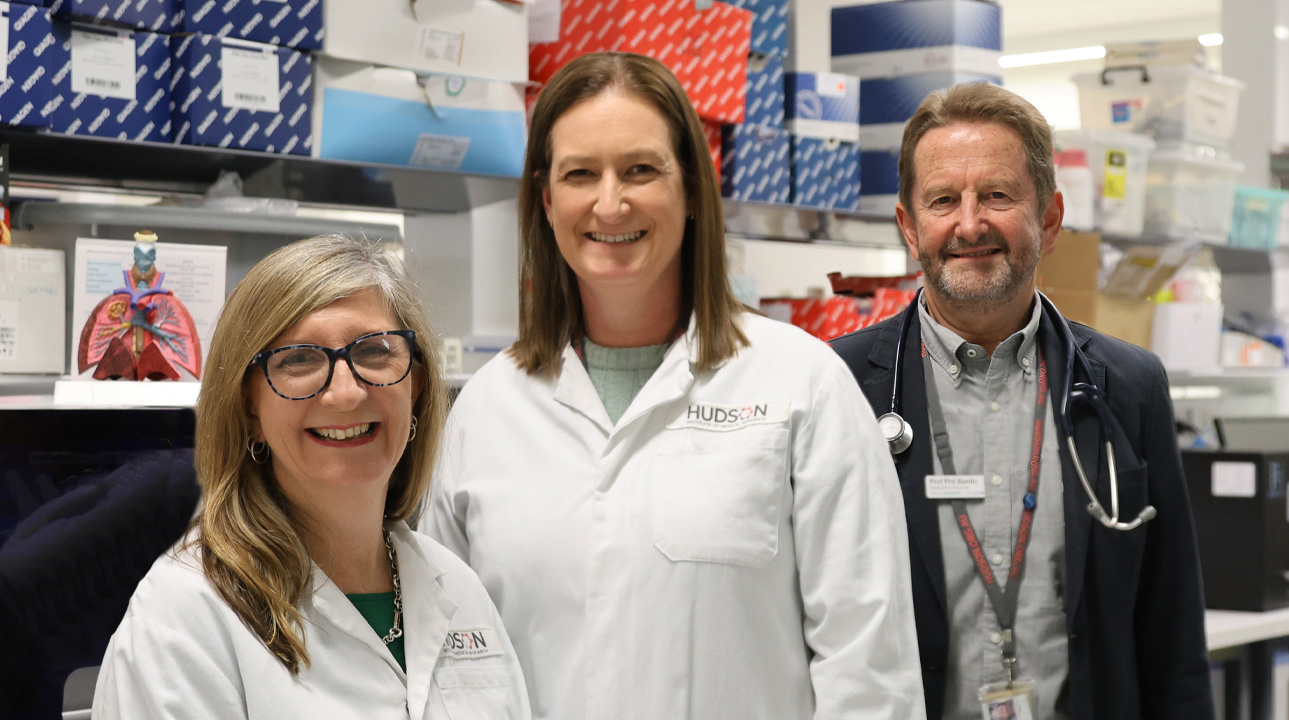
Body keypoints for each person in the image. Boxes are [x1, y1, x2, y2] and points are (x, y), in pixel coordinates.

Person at [422, 51, 925, 720]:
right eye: (580, 174)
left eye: (639, 170)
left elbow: (870, 670)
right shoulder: (487, 410)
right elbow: (451, 666)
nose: (609, 202)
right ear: (546, 201)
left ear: (690, 188)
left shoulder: (802, 385)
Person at [831, 83, 1214, 720]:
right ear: (909, 225)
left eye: (999, 196)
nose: (970, 223)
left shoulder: (1128, 387)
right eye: (943, 200)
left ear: (1050, 218)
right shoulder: (838, 384)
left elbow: (1172, 637)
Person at [92, 235, 532, 719]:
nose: (345, 393)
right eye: (298, 359)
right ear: (249, 409)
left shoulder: (459, 590)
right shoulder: (183, 617)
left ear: (418, 387)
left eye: (374, 351)